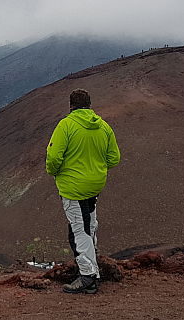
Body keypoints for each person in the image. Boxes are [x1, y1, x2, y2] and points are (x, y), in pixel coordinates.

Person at [46, 88, 121, 294]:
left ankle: (88, 276)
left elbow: (53, 157)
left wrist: (55, 172)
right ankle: (93, 262)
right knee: (89, 224)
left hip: (73, 187)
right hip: (95, 184)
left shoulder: (66, 125)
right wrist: (95, 169)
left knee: (78, 230)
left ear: (71, 105)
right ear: (89, 105)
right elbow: (114, 158)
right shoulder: (103, 126)